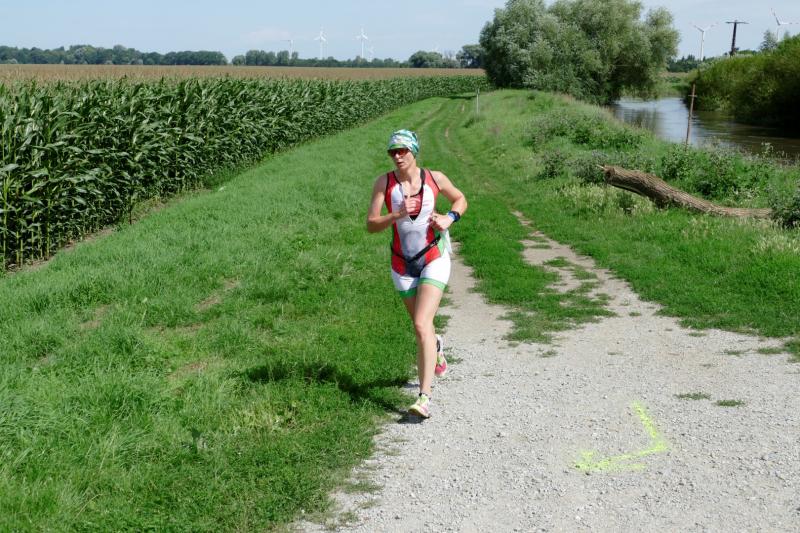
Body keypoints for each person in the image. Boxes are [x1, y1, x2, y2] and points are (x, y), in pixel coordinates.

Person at [366, 129, 467, 418]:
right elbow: (371, 224)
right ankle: (437, 346)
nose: (397, 156)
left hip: (434, 257)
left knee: (422, 324)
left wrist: (449, 217)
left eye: (403, 151)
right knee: (422, 325)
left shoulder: (435, 178)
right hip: (402, 264)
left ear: (414, 152)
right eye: (392, 152)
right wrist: (396, 214)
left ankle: (424, 398)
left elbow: (460, 199)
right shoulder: (384, 183)